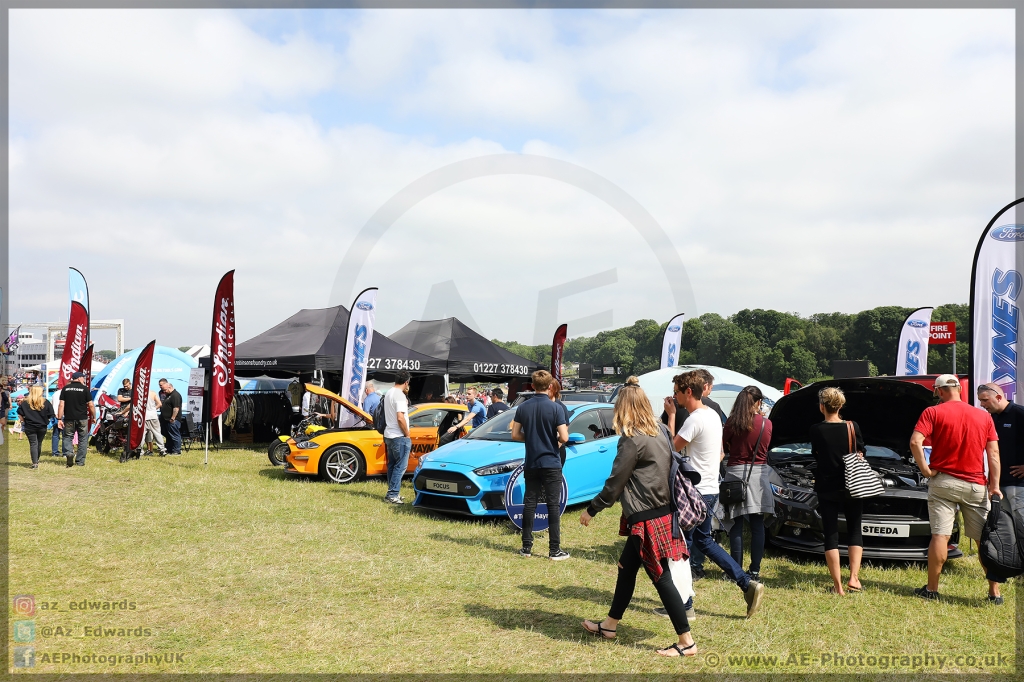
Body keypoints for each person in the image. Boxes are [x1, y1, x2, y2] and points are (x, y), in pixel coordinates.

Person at [580, 376, 696, 658]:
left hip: (646, 517)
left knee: (661, 578)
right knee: (626, 568)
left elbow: (616, 482)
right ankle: (609, 625)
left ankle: (687, 642)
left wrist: (592, 509)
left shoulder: (632, 439)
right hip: (660, 511)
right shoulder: (661, 430)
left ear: (623, 407)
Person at [665, 370, 765, 618]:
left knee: (681, 547)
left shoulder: (694, 420)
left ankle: (684, 606)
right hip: (709, 490)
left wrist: (671, 417)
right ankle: (746, 582)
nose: (674, 396)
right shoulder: (711, 416)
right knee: (703, 541)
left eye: (677, 391)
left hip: (692, 493)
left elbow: (668, 450)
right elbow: (720, 453)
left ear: (689, 392)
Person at [910, 374, 1002, 603]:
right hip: (976, 484)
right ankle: (994, 592)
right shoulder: (983, 416)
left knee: (940, 535)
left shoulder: (932, 412)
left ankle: (932, 589)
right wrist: (995, 486)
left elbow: (915, 442)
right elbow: (993, 454)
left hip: (944, 482)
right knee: (984, 539)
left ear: (939, 391)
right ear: (959, 390)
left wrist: (925, 470)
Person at [808, 387, 864, 596]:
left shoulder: (816, 429)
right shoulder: (852, 426)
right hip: (852, 484)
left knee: (830, 534)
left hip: (826, 485)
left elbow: (816, 453)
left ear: (822, 407)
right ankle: (854, 579)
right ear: (840, 406)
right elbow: (861, 450)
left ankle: (838, 586)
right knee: (854, 530)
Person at [511, 369, 570, 560]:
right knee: (553, 505)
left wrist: (531, 439)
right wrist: (552, 440)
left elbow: (514, 434)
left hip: (532, 461)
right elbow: (565, 437)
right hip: (551, 461)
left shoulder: (523, 407)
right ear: (550, 386)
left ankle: (526, 547)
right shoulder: (556, 408)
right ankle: (554, 550)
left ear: (532, 386)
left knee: (530, 503)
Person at [721, 386, 774, 581]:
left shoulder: (732, 423)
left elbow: (725, 446)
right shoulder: (766, 424)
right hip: (758, 475)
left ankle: (735, 571)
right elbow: (766, 447)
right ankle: (755, 571)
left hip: (734, 473)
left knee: (736, 523)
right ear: (759, 402)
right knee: (757, 525)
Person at [978, 383, 1024, 530]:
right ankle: (1011, 554)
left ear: (998, 397)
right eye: (980, 400)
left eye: (985, 400)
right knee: (1006, 529)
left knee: (1022, 526)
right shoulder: (990, 418)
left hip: (1020, 485)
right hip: (998, 485)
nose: (982, 404)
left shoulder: (1020, 413)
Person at [383, 370, 412, 504]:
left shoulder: (389, 392)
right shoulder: (399, 396)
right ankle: (392, 494)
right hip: (398, 435)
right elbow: (400, 418)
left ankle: (393, 492)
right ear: (406, 382)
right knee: (400, 466)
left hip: (389, 433)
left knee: (393, 465)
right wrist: (407, 433)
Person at [58, 371, 95, 468]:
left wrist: (59, 418)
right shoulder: (85, 389)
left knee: (67, 437)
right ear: (78, 378)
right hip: (82, 418)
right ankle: (80, 461)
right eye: (83, 377)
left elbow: (61, 404)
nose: (84, 379)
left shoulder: (65, 389)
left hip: (69, 418)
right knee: (83, 439)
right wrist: (94, 416)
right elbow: (90, 404)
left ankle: (69, 453)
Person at [18, 385, 55, 469]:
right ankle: (36, 460)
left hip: (29, 426)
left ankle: (35, 462)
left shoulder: (25, 403)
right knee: (39, 443)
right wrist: (45, 419)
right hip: (42, 426)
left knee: (33, 443)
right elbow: (51, 414)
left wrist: (23, 421)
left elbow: (20, 413)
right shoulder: (46, 402)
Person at [158, 379, 183, 455]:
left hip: (173, 420)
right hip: (166, 420)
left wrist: (173, 418)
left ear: (169, 387)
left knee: (175, 435)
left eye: (165, 390)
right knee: (168, 436)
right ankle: (169, 449)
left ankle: (177, 450)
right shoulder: (168, 395)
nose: (164, 392)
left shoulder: (175, 395)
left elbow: (176, 408)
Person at [144, 388, 166, 456]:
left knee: (142, 434)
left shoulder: (140, 394)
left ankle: (139, 450)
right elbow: (159, 404)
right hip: (153, 415)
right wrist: (153, 409)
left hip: (145, 416)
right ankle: (162, 449)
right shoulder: (153, 393)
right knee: (157, 433)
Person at [50, 386, 63, 456]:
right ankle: (65, 452)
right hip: (63, 415)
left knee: (55, 434)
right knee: (65, 435)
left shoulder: (55, 394)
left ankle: (54, 452)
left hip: (55, 414)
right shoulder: (65, 393)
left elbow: (51, 403)